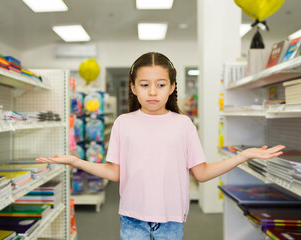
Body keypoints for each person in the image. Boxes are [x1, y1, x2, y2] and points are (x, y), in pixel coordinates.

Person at [36, 52, 285, 240]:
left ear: (172, 87)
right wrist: (75, 161)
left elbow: (202, 172)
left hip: (171, 221)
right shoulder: (124, 123)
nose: (152, 92)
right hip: (132, 219)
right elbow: (115, 172)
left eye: (161, 84)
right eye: (144, 85)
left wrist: (242, 156)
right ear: (133, 88)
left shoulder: (183, 124)